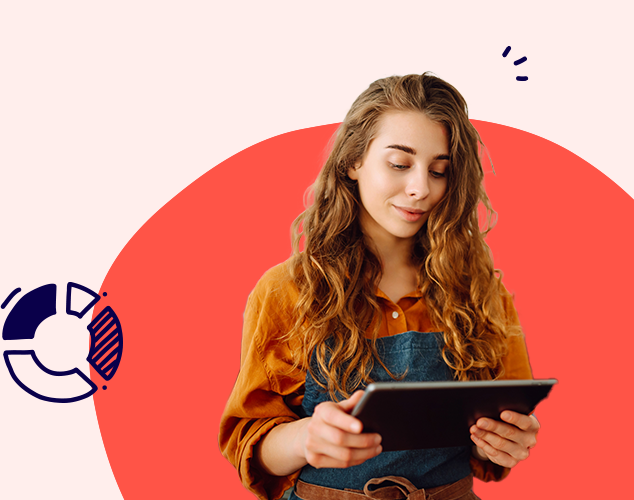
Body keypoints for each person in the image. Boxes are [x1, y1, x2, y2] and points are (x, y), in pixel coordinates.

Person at [219, 73, 540, 500]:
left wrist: (509, 443)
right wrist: (304, 438)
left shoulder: (483, 293)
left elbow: (497, 442)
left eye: (439, 170)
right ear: (353, 161)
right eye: (399, 164)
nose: (420, 189)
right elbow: (251, 444)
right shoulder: (286, 290)